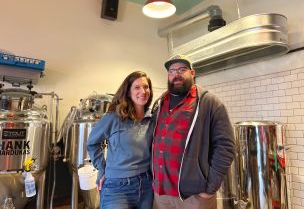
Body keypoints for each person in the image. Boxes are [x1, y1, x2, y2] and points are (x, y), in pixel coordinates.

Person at [149, 54, 235, 209]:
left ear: (192, 73)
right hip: (161, 193)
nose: (177, 74)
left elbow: (226, 147)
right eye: (172, 71)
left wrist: (210, 188)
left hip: (194, 196)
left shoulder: (209, 103)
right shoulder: (160, 103)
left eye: (182, 69)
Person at [87, 71, 154, 209]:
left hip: (147, 185)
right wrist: (101, 167)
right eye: (137, 87)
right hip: (117, 187)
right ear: (128, 92)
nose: (143, 91)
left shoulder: (153, 118)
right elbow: (92, 142)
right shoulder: (114, 118)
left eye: (146, 87)